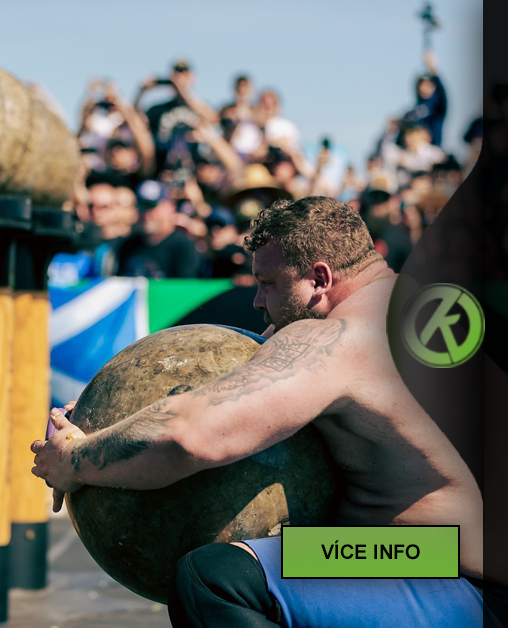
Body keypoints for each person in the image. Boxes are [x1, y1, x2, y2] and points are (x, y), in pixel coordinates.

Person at [32, 196, 485, 627]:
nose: (257, 301)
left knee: (213, 580)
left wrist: (74, 458)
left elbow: (189, 435)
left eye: (268, 284)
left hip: (442, 564)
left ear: (320, 279)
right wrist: (115, 412)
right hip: (461, 558)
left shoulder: (335, 339)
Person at [116, 180, 202, 278]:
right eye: (142, 206)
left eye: (153, 206)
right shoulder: (128, 246)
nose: (147, 213)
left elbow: (185, 289)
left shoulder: (183, 247)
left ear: (171, 207)